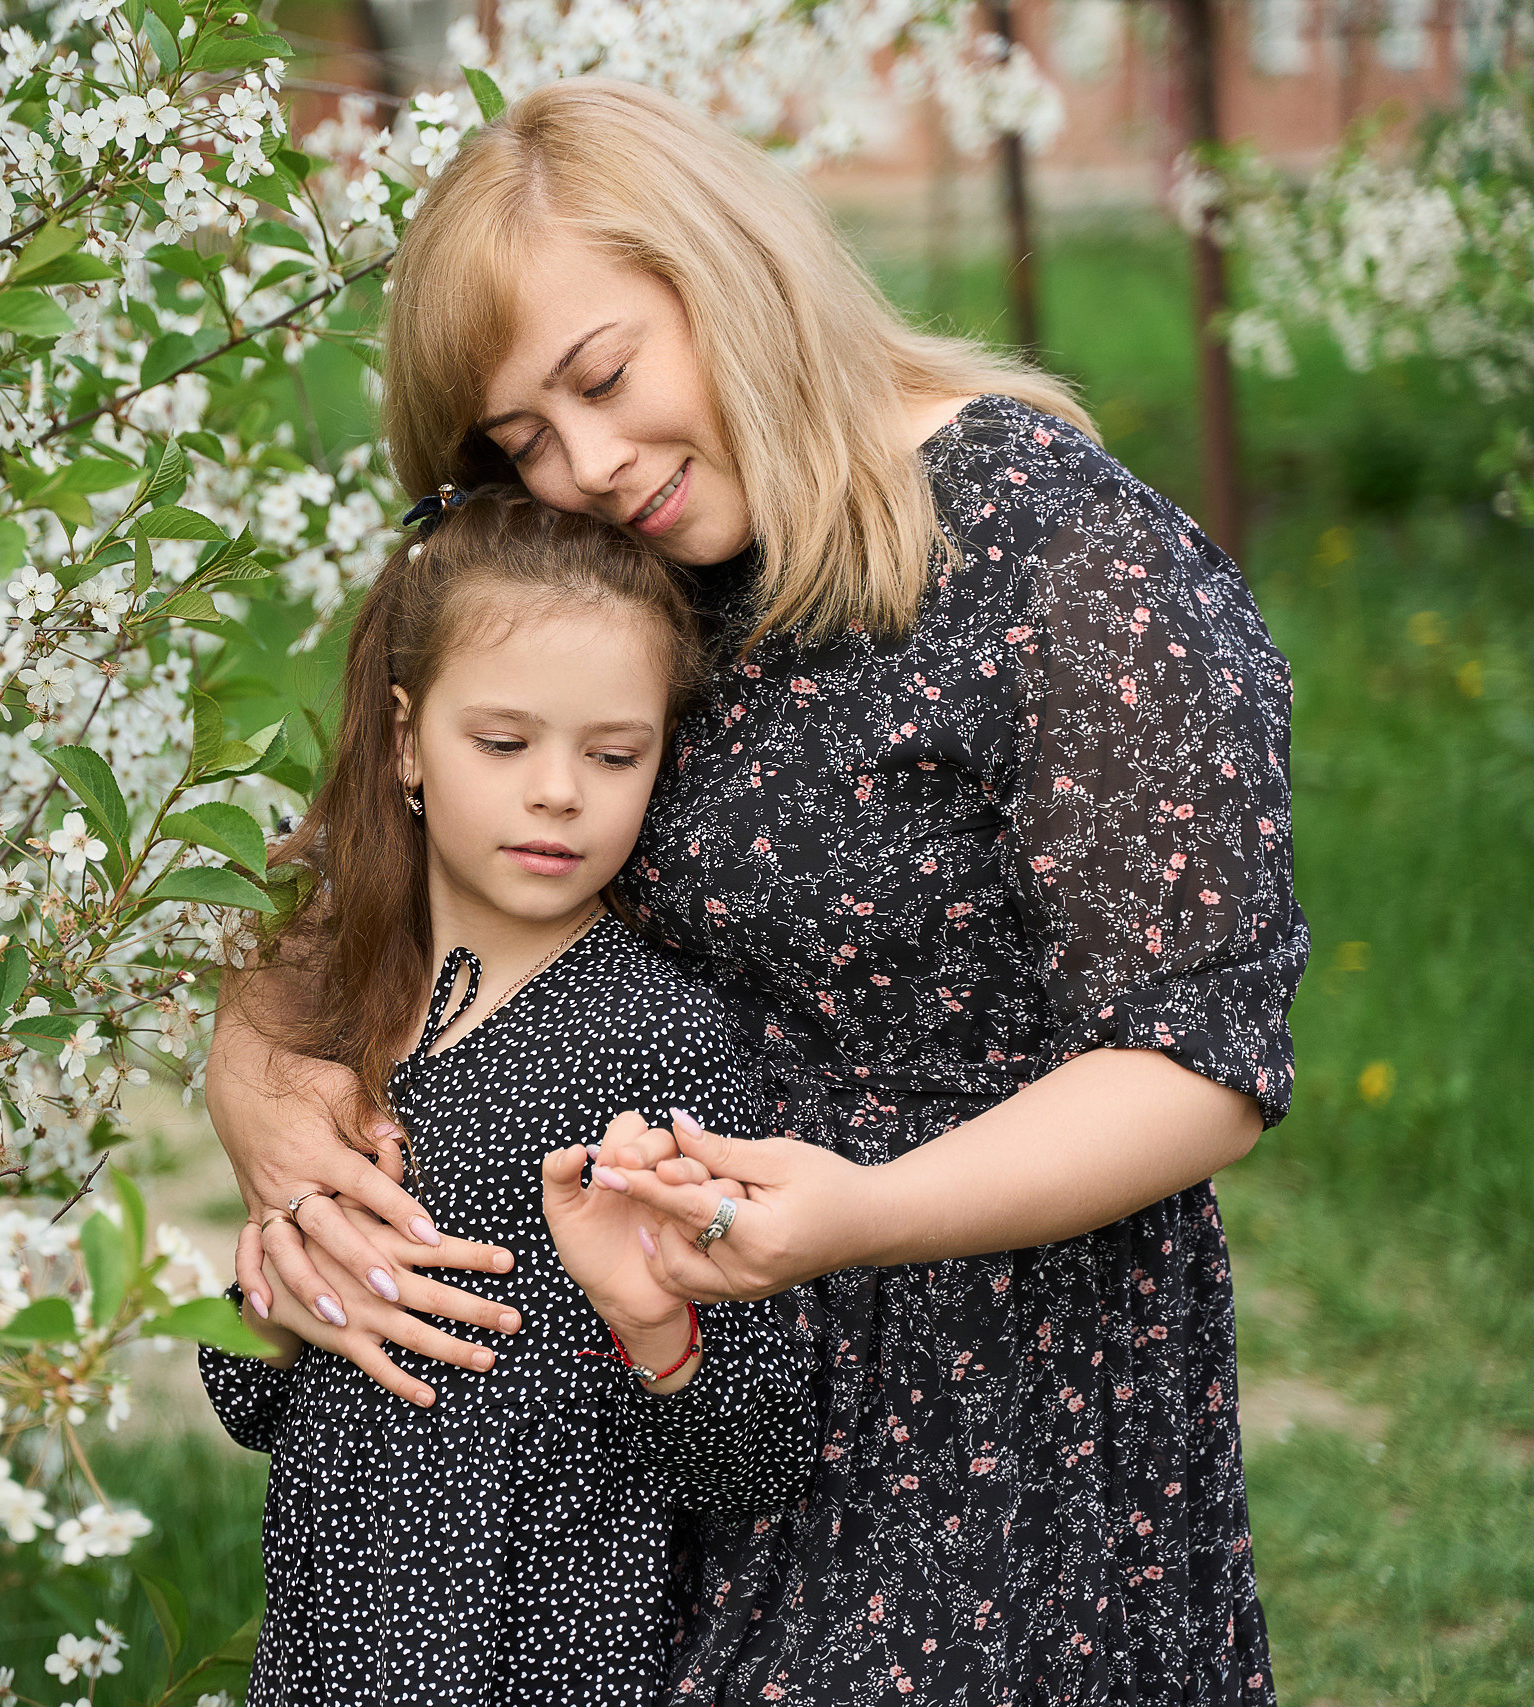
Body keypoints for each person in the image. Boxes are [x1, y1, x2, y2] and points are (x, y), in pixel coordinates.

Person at [208, 78, 1307, 1706]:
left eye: (603, 377)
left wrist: (862, 1212)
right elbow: (367, 876)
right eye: (522, 438)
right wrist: (266, 1097)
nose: (586, 462)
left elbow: (1196, 1062)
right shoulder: (619, 567)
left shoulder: (1068, 561)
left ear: (726, 270)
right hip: (626, 1428)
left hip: (986, 1427)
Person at [198, 490, 818, 1704]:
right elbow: (261, 1400)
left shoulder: (660, 1039)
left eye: (612, 754)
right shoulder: (341, 1015)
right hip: (338, 1643)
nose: (557, 793)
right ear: (405, 740)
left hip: (535, 1651)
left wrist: (651, 1323)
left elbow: (754, 1460)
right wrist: (280, 1301)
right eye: (502, 743)